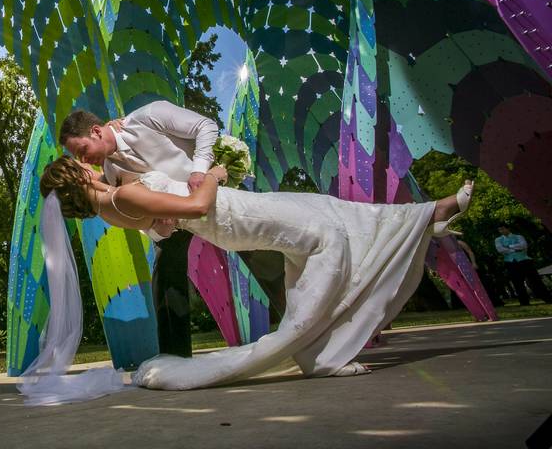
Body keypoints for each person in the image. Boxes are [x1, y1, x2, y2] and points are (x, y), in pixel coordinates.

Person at [37, 156, 473, 390]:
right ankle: (317, 353)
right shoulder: (123, 196)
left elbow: (164, 226)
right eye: (76, 164)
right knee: (327, 235)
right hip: (230, 215)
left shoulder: (112, 207)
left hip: (235, 217)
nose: (84, 163)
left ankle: (423, 222)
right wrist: (212, 174)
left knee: (330, 214)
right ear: (76, 177)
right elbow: (196, 206)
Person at [59, 102, 218, 357]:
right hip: (176, 224)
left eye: (83, 150)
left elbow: (206, 126)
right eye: (79, 158)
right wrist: (160, 230)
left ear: (97, 131)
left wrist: (200, 171)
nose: (84, 159)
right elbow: (139, 221)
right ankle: (174, 358)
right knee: (165, 266)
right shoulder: (111, 177)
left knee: (260, 249)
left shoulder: (149, 116)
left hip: (213, 194)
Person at [495, 226, 551, 306]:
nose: (501, 231)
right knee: (517, 283)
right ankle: (524, 302)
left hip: (525, 260)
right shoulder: (498, 240)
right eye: (500, 229)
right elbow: (500, 249)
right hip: (511, 262)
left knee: (535, 281)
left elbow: (524, 246)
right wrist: (516, 249)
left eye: (503, 229)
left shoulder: (519, 237)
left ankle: (547, 298)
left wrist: (509, 247)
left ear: (508, 228)